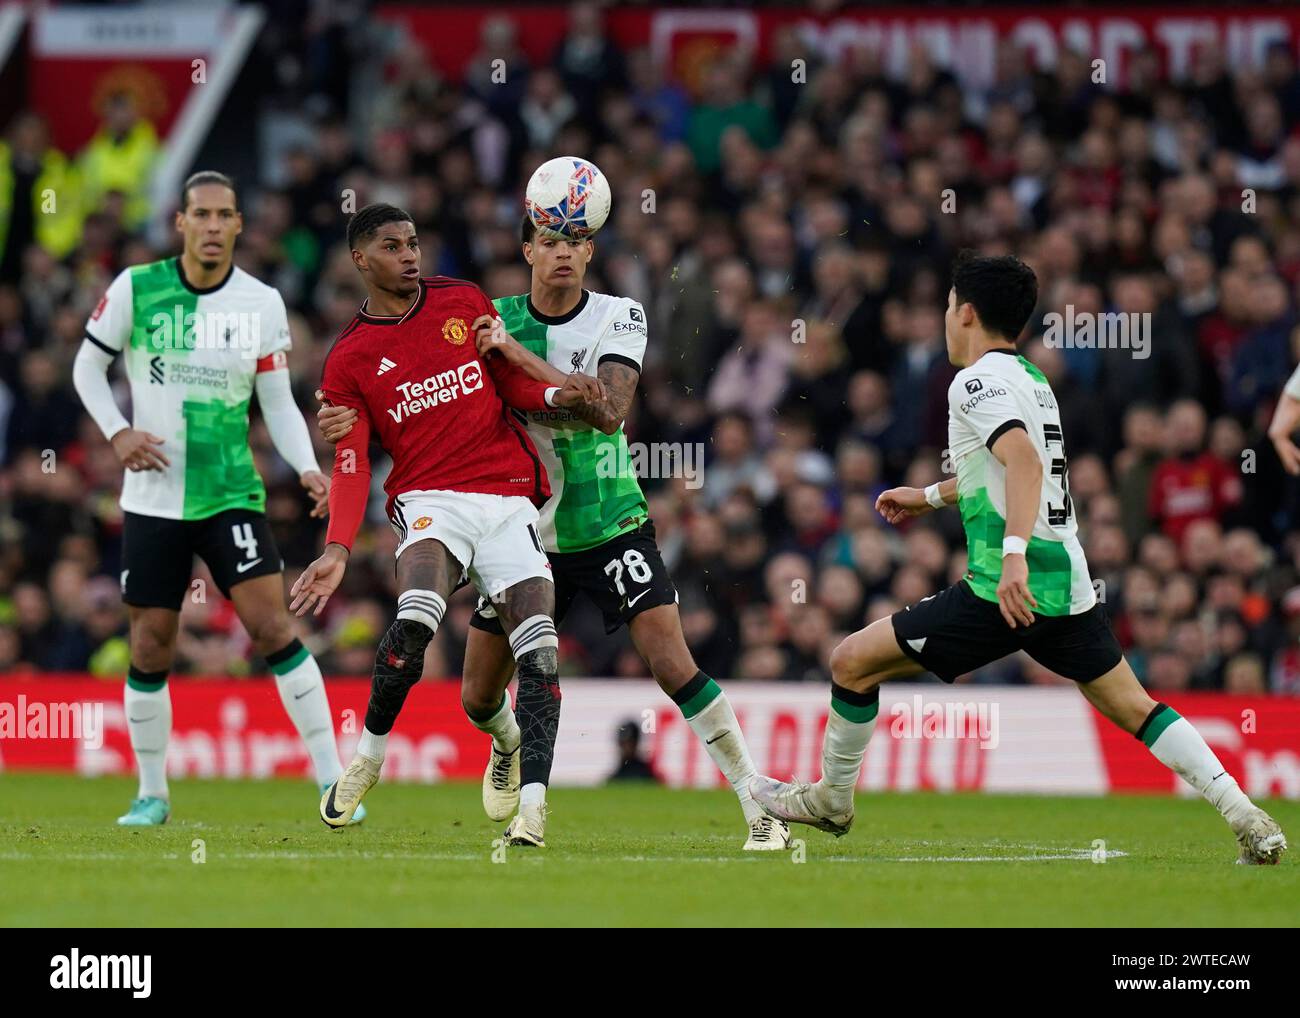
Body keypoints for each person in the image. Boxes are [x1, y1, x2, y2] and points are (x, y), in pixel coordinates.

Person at [750, 251, 1287, 866]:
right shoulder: (1030, 378)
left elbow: (1026, 464)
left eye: (949, 307)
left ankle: (831, 802)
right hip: (1066, 578)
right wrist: (929, 497)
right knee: (1136, 708)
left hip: (1003, 588)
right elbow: (1004, 471)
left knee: (850, 662)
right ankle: (1248, 818)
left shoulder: (973, 382)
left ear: (967, 313)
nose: (946, 319)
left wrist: (1010, 561)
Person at [318, 213, 791, 851]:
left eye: (575, 242)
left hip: (608, 523)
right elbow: (418, 388)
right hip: (522, 523)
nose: (563, 255)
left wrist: (519, 358)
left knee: (672, 662)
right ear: (527, 251)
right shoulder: (490, 313)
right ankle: (507, 745)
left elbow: (610, 412)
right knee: (478, 697)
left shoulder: (620, 315)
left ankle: (756, 801)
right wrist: (344, 418)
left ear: (590, 250)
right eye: (550, 242)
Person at [290, 203, 604, 847]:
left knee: (539, 657)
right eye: (392, 246)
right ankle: (367, 761)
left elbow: (507, 387)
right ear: (360, 259)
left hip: (509, 498)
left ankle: (534, 808)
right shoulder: (349, 358)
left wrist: (553, 395)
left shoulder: (461, 300)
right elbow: (350, 462)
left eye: (413, 242)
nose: (409, 256)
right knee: (415, 620)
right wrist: (338, 550)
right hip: (431, 498)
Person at [73, 171, 354, 826]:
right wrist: (116, 434)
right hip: (152, 498)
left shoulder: (260, 303)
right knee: (150, 646)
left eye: (223, 215)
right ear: (180, 222)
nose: (210, 226)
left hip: (230, 493)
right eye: (199, 214)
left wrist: (309, 468)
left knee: (273, 628)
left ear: (236, 225)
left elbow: (277, 401)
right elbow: (87, 366)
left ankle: (334, 783)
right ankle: (151, 792)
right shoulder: (136, 289)